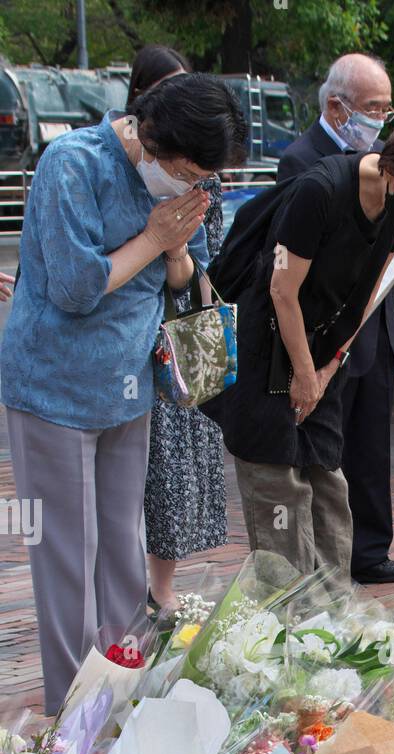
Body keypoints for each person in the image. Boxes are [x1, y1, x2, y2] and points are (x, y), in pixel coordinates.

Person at [0, 74, 247, 715]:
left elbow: (187, 273)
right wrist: (155, 239)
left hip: (129, 387)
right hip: (53, 387)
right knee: (65, 555)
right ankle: (75, 714)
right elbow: (75, 289)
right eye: (190, 169)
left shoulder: (185, 181)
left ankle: (127, 693)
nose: (196, 183)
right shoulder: (73, 163)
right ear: (151, 136)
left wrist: (174, 252)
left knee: (123, 548)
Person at [206, 117, 394, 579]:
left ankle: (332, 618)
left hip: (323, 345)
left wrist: (328, 368)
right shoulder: (321, 190)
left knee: (327, 478)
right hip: (265, 341)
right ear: (393, 170)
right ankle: (288, 622)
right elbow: (281, 291)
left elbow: (366, 296)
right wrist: (304, 375)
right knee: (278, 481)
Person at [277, 54, 394, 585]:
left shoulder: (384, 158)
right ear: (337, 107)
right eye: (372, 108)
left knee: (372, 440)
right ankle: (327, 558)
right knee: (326, 446)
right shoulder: (301, 161)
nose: (380, 119)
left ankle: (372, 549)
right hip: (322, 329)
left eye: (387, 108)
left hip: (376, 323)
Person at [126, 47, 232, 614]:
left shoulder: (204, 182)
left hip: (175, 332)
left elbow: (205, 267)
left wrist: (176, 253)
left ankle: (161, 587)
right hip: (116, 338)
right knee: (123, 476)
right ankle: (122, 589)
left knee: (171, 465)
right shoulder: (119, 162)